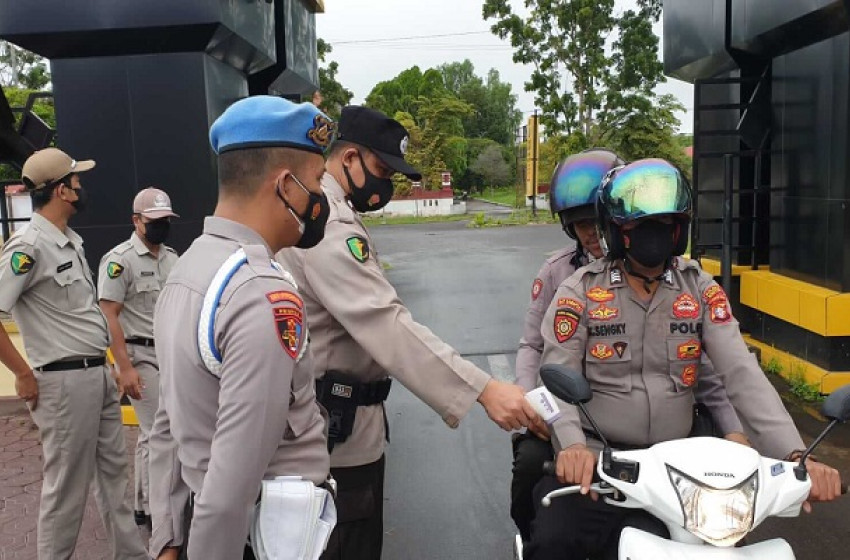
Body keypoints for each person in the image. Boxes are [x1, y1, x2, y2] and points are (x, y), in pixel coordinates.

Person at [526, 158, 843, 559]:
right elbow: (557, 374)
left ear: (679, 230)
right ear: (616, 231)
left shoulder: (700, 290)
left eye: (665, 223)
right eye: (640, 225)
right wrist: (573, 447)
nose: (654, 234)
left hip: (684, 468)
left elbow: (741, 373)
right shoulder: (579, 292)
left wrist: (796, 456)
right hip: (602, 463)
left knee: (729, 542)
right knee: (553, 541)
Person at [275, 105, 543, 560]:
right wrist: (484, 389)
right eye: (382, 170)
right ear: (349, 158)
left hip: (345, 425)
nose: (387, 185)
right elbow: (386, 324)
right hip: (334, 436)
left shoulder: (335, 214)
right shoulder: (331, 226)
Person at [510, 150, 747, 542]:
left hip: (669, 449)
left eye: (598, 222)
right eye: (582, 224)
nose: (593, 233)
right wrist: (530, 403)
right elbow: (536, 348)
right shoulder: (564, 278)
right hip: (576, 421)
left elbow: (711, 366)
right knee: (537, 482)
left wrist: (736, 431)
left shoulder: (684, 281)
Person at [148, 96, 336, 560]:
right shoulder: (260, 293)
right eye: (317, 182)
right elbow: (230, 489)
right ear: (286, 186)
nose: (321, 199)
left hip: (225, 528)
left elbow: (168, 425)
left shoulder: (188, 269)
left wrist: (168, 538)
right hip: (269, 538)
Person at [0, 148, 147, 559]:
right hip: (62, 383)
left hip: (95, 374)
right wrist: (22, 373)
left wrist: (111, 365)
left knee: (114, 477)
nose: (82, 188)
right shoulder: (29, 246)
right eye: (77, 182)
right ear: (61, 191)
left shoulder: (69, 241)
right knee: (66, 488)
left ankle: (131, 555)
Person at [97, 187, 179, 528]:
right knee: (157, 430)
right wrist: (124, 368)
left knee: (157, 432)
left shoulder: (172, 258)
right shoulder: (120, 261)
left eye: (166, 220)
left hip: (169, 355)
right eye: (154, 220)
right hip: (140, 355)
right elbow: (109, 314)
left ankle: (146, 503)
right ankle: (154, 506)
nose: (161, 226)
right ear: (136, 221)